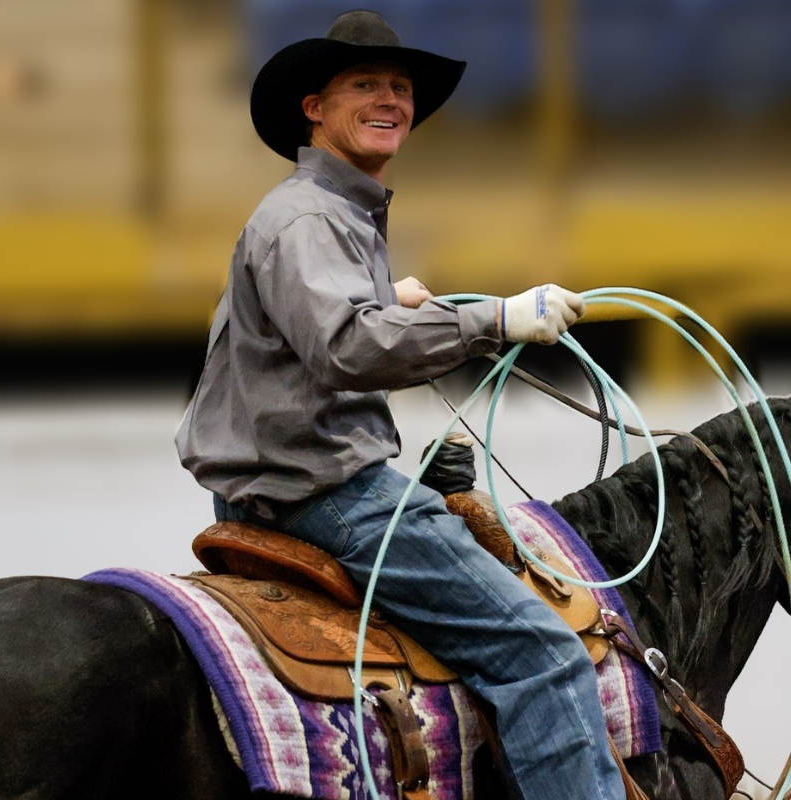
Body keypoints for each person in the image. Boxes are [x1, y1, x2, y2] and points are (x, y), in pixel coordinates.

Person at [177, 10, 626, 800]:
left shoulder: (331, 213)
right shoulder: (310, 217)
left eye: (400, 87)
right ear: (313, 107)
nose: (390, 100)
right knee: (543, 654)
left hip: (284, 484)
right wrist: (498, 319)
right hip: (327, 495)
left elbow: (329, 331)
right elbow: (348, 348)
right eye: (365, 85)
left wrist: (395, 301)